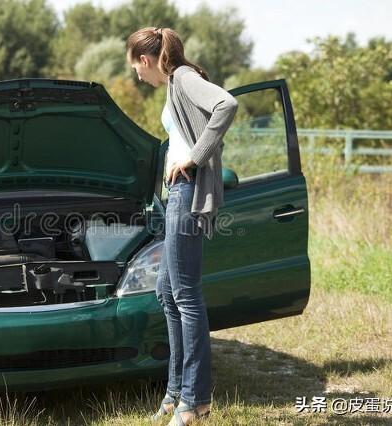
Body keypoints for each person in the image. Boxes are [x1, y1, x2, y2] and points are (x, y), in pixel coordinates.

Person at [126, 26, 238, 425]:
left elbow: (226, 105)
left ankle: (195, 401)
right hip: (178, 194)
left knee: (186, 295)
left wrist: (193, 157)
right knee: (166, 291)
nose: (139, 77)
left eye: (136, 68)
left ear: (146, 59)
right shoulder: (176, 85)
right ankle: (177, 392)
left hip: (187, 192)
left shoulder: (184, 79)